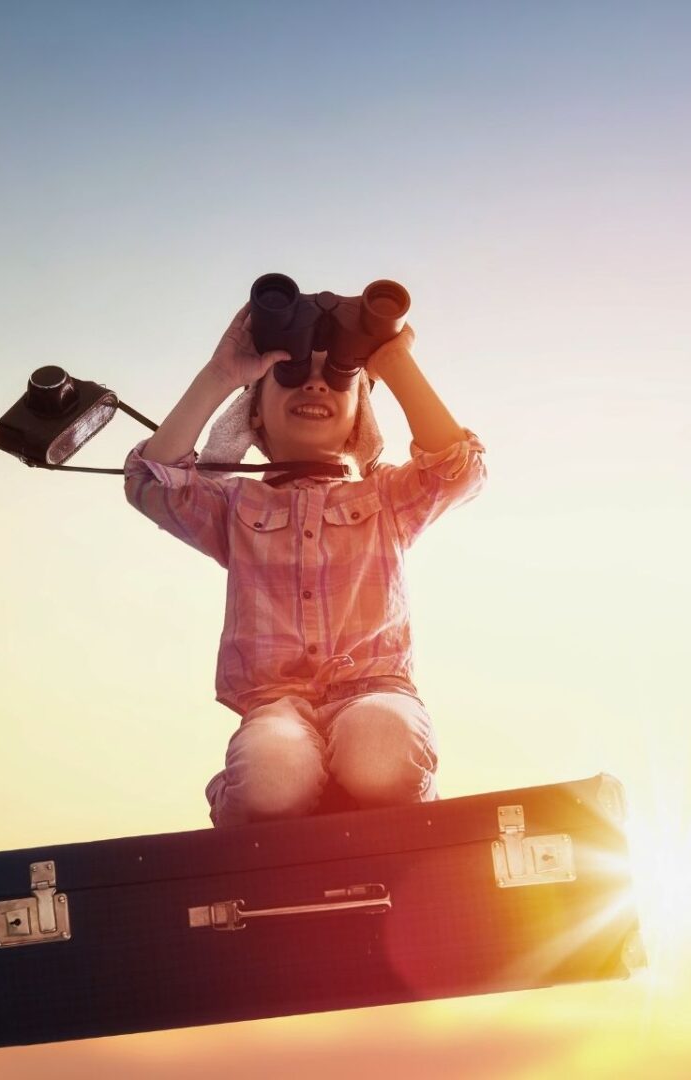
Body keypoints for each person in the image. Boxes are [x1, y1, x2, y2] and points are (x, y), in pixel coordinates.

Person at [125, 303, 486, 826]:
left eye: (336, 380)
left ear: (359, 417)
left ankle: (407, 817)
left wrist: (392, 362)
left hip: (375, 691)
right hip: (277, 707)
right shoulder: (234, 506)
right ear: (254, 414)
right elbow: (151, 483)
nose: (315, 386)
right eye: (290, 376)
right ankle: (246, 810)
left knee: (382, 745)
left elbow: (456, 470)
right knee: (273, 771)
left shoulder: (386, 498)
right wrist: (221, 375)